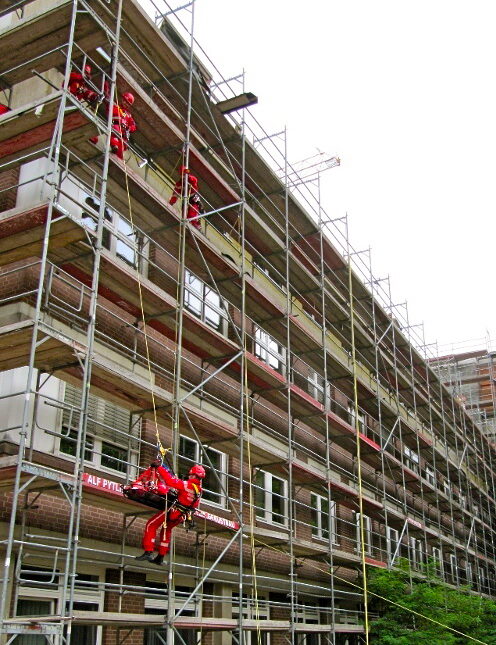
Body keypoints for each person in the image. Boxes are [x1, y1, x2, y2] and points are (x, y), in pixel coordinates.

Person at [136, 462, 205, 565]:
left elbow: (169, 481)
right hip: (181, 516)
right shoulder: (199, 491)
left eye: (191, 474)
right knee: (166, 530)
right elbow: (193, 505)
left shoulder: (187, 484)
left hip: (173, 511)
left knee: (151, 524)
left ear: (195, 475)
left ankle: (148, 551)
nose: (189, 476)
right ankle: (160, 557)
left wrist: (159, 467)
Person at [89, 92, 136, 160]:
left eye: (128, 103)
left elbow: (133, 126)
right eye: (125, 101)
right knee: (115, 130)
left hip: (123, 135)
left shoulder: (128, 115)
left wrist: (128, 128)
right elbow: (107, 98)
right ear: (122, 99)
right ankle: (114, 146)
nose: (125, 103)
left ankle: (118, 156)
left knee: (120, 154)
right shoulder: (115, 106)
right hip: (115, 127)